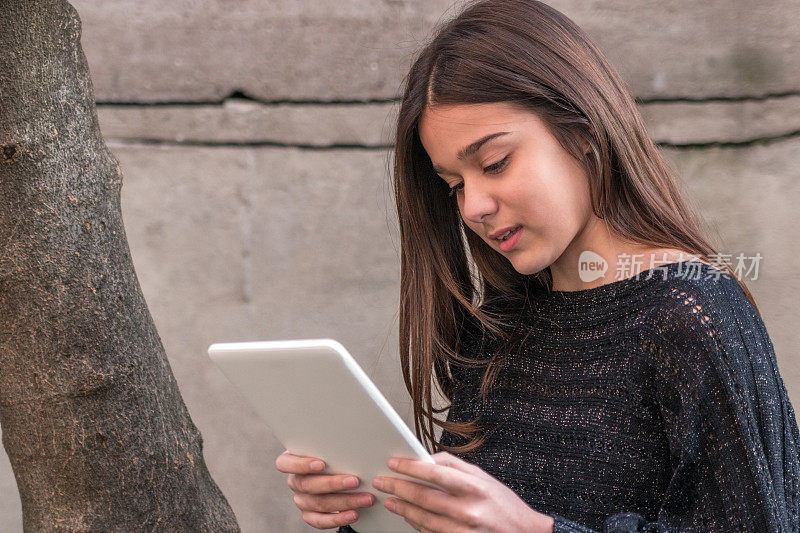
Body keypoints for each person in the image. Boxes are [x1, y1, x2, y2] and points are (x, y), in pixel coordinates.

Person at [275, 0, 800, 531]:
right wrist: (366, 509)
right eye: (455, 184)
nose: (473, 207)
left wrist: (533, 529)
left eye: (495, 163)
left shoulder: (693, 315)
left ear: (583, 129)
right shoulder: (497, 325)